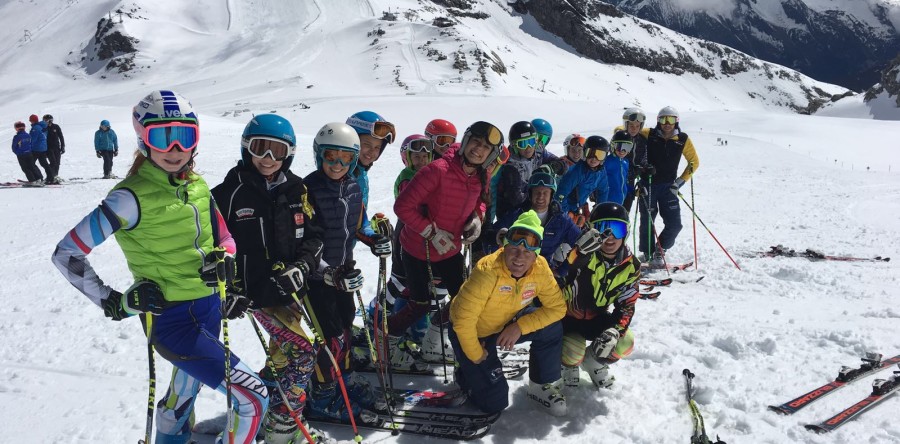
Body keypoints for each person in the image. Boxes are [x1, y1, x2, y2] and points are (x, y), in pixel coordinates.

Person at [51, 90, 269, 444]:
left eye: (184, 136)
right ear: (142, 140)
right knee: (253, 397)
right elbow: (67, 254)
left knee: (184, 394)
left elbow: (225, 238)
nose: (174, 149)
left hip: (209, 310)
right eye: (161, 137)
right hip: (172, 321)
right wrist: (116, 301)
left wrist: (224, 260)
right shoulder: (128, 198)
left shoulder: (197, 186)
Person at [211, 114, 325, 444]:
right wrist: (229, 289)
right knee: (303, 354)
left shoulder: (297, 190)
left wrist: (302, 266)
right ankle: (282, 430)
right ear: (248, 149)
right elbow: (212, 248)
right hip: (254, 296)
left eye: (277, 151)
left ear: (288, 153)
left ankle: (258, 409)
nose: (269, 159)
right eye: (261, 149)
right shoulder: (228, 194)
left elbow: (314, 237)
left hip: (288, 293)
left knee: (281, 357)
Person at [388, 121, 504, 368]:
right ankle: (386, 340)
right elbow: (402, 207)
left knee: (465, 298)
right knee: (420, 303)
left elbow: (479, 203)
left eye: (485, 147)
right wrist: (431, 232)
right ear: (466, 140)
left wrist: (476, 218)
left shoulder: (481, 175)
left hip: (450, 250)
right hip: (417, 250)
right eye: (475, 142)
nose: (478, 149)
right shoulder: (437, 170)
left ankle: (433, 342)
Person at [449, 210, 568, 416]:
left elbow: (557, 308)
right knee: (495, 402)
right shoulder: (488, 271)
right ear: (504, 247)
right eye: (514, 249)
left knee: (551, 327)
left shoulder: (540, 268)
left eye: (527, 252)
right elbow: (462, 320)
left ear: (536, 254)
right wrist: (476, 354)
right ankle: (465, 373)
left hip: (506, 321)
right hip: (474, 331)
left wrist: (519, 326)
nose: (519, 258)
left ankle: (540, 384)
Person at [302, 122, 380, 421]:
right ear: (318, 155)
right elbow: (303, 241)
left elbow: (359, 225)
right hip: (316, 278)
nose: (337, 164)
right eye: (331, 156)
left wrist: (376, 240)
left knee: (347, 329)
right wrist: (326, 273)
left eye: (346, 158)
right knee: (329, 337)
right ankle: (321, 396)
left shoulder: (352, 186)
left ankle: (344, 378)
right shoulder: (306, 189)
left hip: (344, 274)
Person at [560, 203, 639, 390]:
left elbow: (627, 304)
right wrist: (577, 255)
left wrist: (616, 330)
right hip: (565, 319)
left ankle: (593, 362)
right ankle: (566, 365)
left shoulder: (630, 266)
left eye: (617, 229)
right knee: (573, 351)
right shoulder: (580, 253)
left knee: (624, 341)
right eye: (603, 229)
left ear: (626, 232)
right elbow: (559, 276)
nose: (610, 237)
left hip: (596, 318)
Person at [637, 106, 700, 265]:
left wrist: (680, 182)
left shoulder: (682, 139)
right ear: (658, 120)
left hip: (668, 188)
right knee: (647, 222)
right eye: (663, 119)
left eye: (671, 119)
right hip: (648, 185)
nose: (667, 123)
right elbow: (626, 129)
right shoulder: (648, 134)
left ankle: (660, 249)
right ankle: (648, 253)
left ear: (676, 121)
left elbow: (694, 162)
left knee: (674, 224)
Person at [492, 171, 584, 278]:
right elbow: (494, 236)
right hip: (516, 267)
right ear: (530, 195)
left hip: (543, 271)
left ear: (551, 196)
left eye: (545, 193)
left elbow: (581, 244)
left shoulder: (561, 220)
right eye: (537, 192)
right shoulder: (516, 214)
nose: (540, 197)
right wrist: (501, 265)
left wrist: (561, 271)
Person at [495, 121, 567, 222]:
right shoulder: (511, 166)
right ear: (514, 146)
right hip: (511, 213)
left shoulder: (538, 151)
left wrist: (551, 167)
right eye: (523, 144)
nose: (528, 147)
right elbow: (516, 199)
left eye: (531, 141)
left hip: (533, 204)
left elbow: (563, 164)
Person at [556, 136, 610, 222]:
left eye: (599, 155)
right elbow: (561, 194)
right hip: (566, 209)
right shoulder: (576, 171)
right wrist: (567, 213)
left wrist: (599, 210)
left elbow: (603, 191)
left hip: (578, 209)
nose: (594, 158)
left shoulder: (600, 171)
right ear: (585, 153)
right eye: (590, 153)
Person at [614, 108, 648, 212]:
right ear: (626, 125)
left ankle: (623, 225)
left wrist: (644, 167)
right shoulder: (619, 137)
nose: (634, 128)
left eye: (637, 126)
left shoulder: (642, 140)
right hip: (616, 178)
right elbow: (613, 156)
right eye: (631, 125)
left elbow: (644, 158)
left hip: (630, 180)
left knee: (625, 209)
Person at [605, 130, 633, 205]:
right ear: (613, 146)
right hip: (607, 201)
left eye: (626, 147)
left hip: (621, 201)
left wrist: (632, 190)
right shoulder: (607, 161)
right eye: (619, 147)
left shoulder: (625, 162)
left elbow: (624, 182)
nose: (622, 151)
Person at [43, 114, 65, 184]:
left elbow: (61, 137)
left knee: (57, 163)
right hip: (48, 148)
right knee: (53, 163)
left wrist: (62, 146)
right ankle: (49, 177)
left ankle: (55, 176)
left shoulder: (56, 127)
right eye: (45, 120)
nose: (46, 121)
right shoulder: (43, 128)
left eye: (48, 120)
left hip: (56, 148)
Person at [28, 114, 50, 182]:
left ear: (33, 121)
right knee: (44, 164)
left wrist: (29, 147)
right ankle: (50, 178)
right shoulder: (42, 126)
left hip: (37, 149)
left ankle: (38, 178)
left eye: (31, 120)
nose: (30, 122)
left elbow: (32, 139)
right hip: (43, 148)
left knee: (30, 164)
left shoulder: (36, 128)